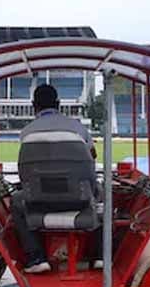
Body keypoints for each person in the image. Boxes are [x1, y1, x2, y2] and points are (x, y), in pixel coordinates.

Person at [9, 84, 98, 274]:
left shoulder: (27, 133)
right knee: (104, 193)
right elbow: (92, 159)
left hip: (39, 202)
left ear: (34, 105)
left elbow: (24, 173)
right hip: (79, 199)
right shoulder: (78, 129)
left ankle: (36, 258)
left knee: (15, 201)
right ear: (58, 104)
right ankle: (100, 255)